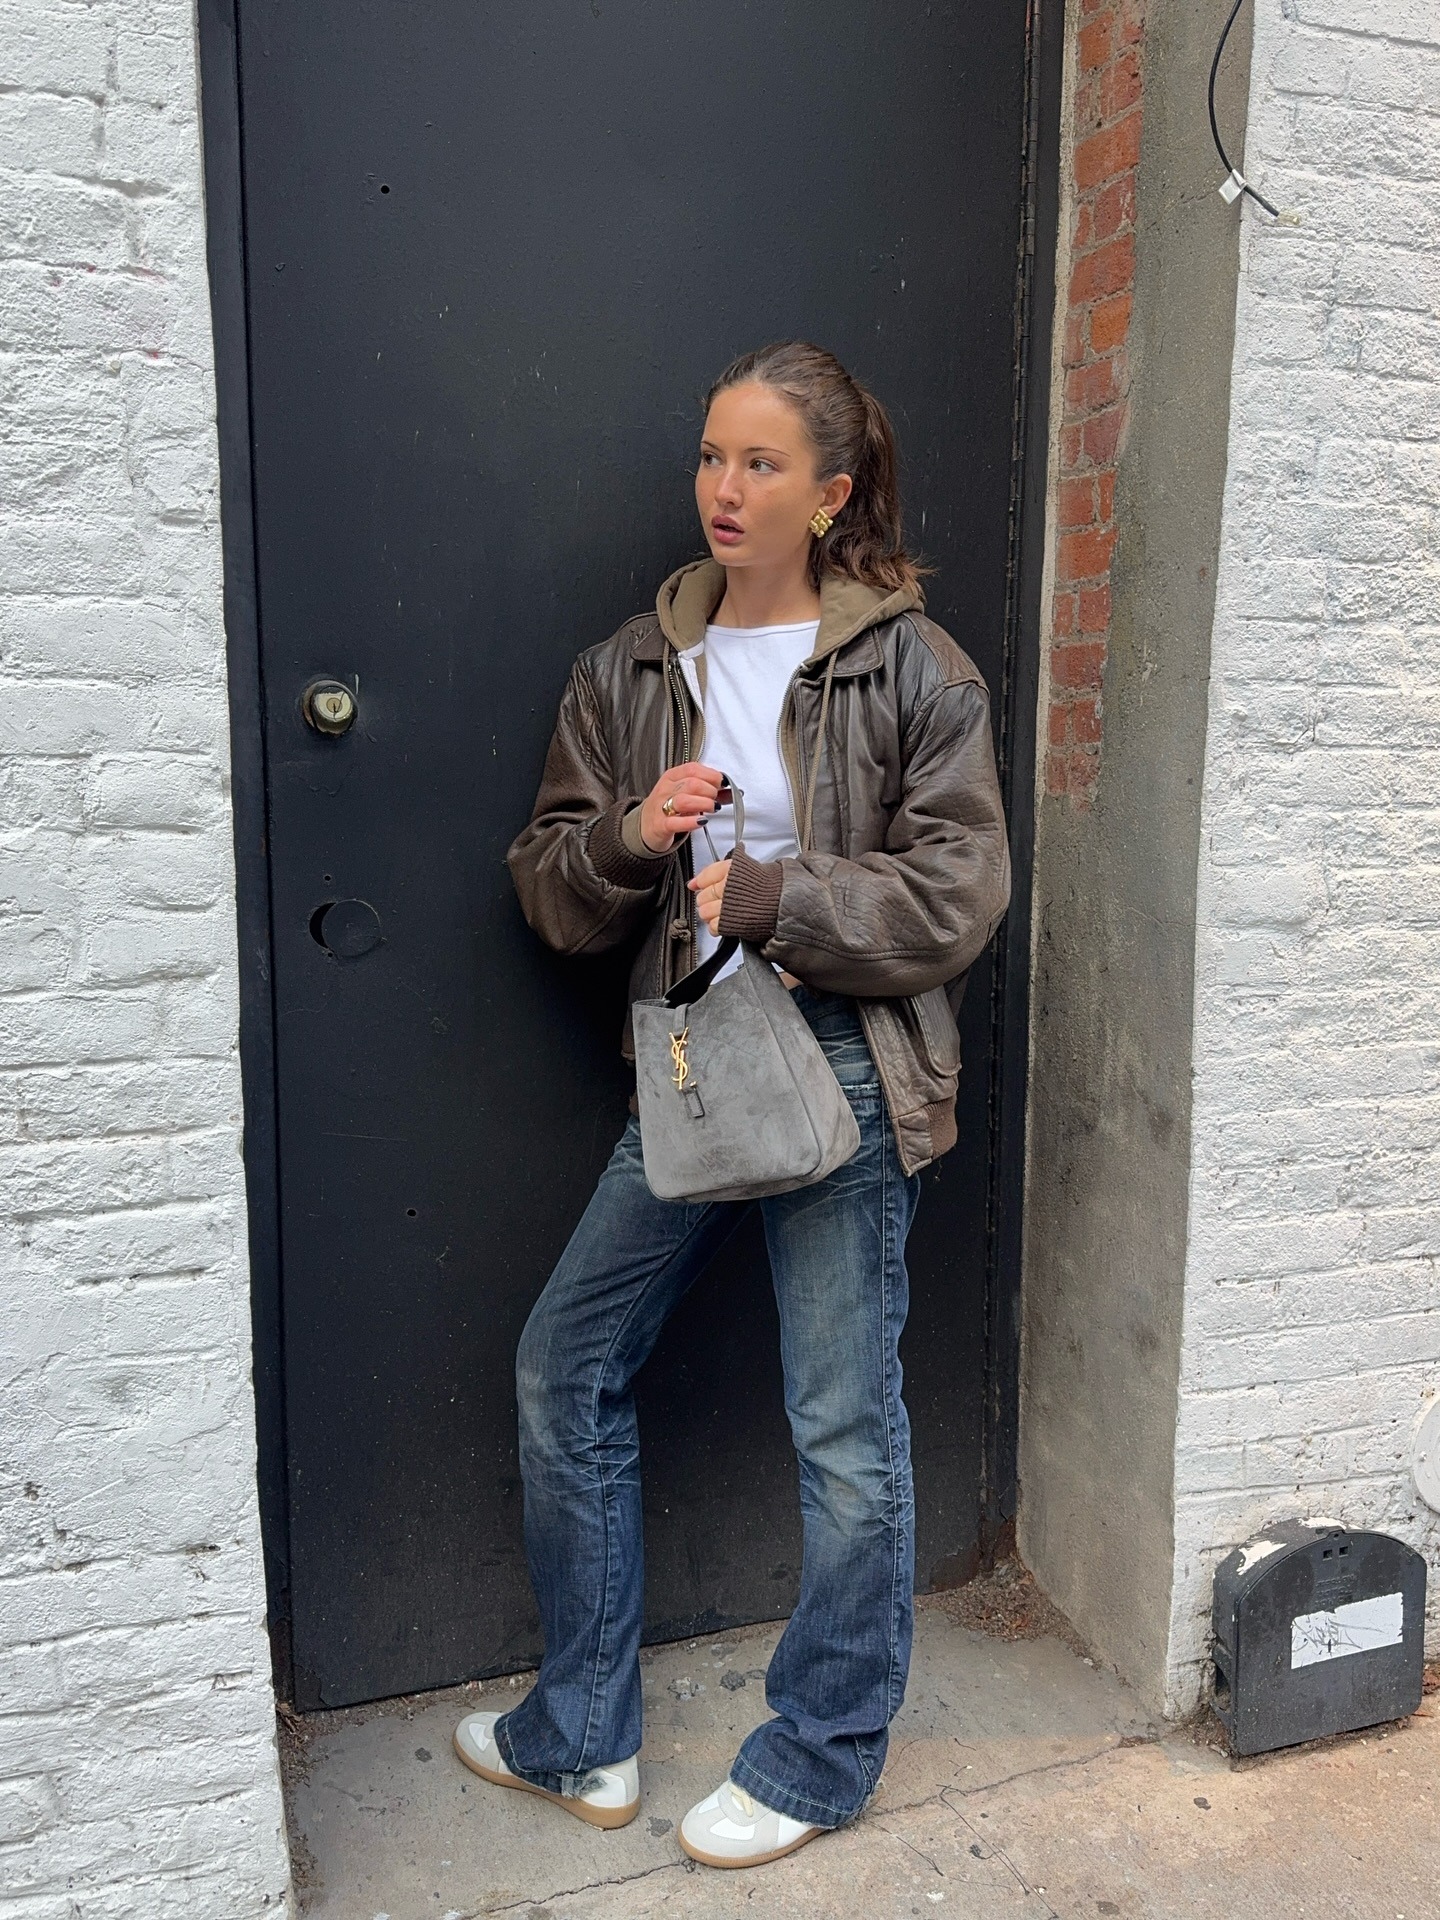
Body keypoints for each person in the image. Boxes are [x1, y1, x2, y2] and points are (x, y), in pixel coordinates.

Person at [452, 340, 1011, 1869]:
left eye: (762, 464)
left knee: (843, 1430)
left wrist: (783, 893)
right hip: (689, 1068)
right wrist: (635, 833)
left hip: (844, 1066)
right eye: (712, 455)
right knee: (566, 1369)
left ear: (831, 494)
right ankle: (583, 1735)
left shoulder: (914, 665)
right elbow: (553, 892)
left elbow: (962, 892)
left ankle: (822, 1753)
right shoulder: (633, 669)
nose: (724, 487)